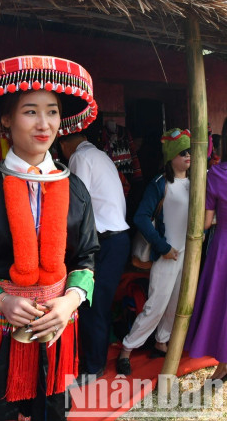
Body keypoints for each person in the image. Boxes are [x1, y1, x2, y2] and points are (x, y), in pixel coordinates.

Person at [0, 55, 100, 421]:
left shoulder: (74, 188)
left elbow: (88, 255)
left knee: (52, 414)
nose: (44, 124)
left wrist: (69, 303)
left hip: (56, 330)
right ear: (6, 119)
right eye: (30, 111)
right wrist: (0, 301)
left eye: (53, 111)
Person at [117, 128, 191, 376]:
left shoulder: (195, 183)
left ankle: (162, 340)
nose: (189, 155)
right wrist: (162, 246)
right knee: (156, 305)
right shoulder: (160, 184)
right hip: (167, 254)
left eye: (190, 151)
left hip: (187, 255)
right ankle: (127, 348)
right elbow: (141, 218)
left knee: (176, 303)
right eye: (183, 152)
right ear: (171, 157)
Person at [59, 130, 130, 382]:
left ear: (65, 144)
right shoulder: (100, 155)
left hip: (105, 242)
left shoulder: (79, 157)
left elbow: (77, 203)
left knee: (92, 305)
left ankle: (92, 368)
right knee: (98, 304)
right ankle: (94, 361)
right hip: (117, 239)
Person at [184, 118, 227, 380]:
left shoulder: (217, 175)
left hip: (223, 248)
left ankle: (222, 366)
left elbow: (205, 223)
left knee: (221, 305)